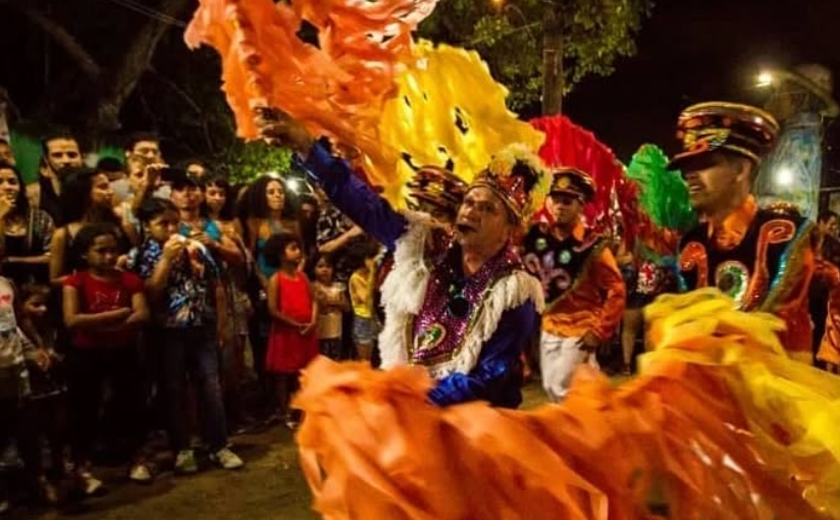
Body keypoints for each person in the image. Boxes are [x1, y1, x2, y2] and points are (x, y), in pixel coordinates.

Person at [255, 109, 544, 408]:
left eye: (488, 209)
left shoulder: (516, 291)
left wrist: (413, 399)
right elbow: (363, 204)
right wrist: (307, 146)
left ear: (510, 229)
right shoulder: (425, 242)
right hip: (409, 409)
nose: (471, 212)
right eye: (469, 202)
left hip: (473, 427)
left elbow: (488, 379)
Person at [671, 102, 834, 362]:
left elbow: (776, 333)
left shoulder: (785, 236)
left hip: (774, 389)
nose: (690, 175)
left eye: (705, 163)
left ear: (740, 169)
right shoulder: (692, 243)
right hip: (705, 386)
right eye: (688, 167)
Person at [129, 198, 243, 473]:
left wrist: (222, 322)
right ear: (147, 226)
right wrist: (167, 259)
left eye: (173, 222)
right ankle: (183, 448)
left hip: (201, 325)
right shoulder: (141, 255)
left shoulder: (196, 248)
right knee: (174, 389)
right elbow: (151, 292)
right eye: (162, 224)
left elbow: (215, 284)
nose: (170, 229)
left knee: (210, 387)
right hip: (168, 332)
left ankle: (219, 445)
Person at [522, 167, 625, 401]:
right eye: (555, 200)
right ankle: (597, 421)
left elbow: (617, 289)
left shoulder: (593, 245)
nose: (560, 206)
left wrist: (599, 331)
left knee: (561, 389)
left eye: (568, 201)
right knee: (553, 387)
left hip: (581, 327)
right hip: (549, 326)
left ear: (581, 206)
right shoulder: (535, 235)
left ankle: (575, 433)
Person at [62, 224, 151, 487]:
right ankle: (82, 466)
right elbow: (72, 320)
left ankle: (137, 458)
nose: (109, 257)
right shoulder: (75, 282)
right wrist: (117, 315)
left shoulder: (129, 279)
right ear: (84, 254)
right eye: (101, 251)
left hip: (123, 350)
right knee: (84, 408)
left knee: (131, 404)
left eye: (113, 251)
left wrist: (98, 323)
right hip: (87, 352)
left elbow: (142, 314)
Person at [264, 232, 318, 429]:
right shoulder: (276, 279)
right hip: (286, 333)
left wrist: (312, 321)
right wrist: (294, 324)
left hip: (306, 333)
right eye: (292, 248)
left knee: (302, 373)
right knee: (283, 374)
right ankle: (285, 411)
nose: (298, 253)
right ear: (280, 254)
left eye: (298, 248)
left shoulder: (303, 277)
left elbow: (313, 301)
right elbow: (272, 309)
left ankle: (302, 408)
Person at [49, 167, 124, 285]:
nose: (111, 192)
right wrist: (92, 277)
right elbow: (54, 279)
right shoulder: (62, 235)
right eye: (103, 187)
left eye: (109, 186)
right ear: (83, 192)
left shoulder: (121, 223)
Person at [0, 163, 54, 286]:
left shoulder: (40, 218)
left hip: (35, 287)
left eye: (13, 182)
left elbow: (53, 256)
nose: (7, 187)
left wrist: (17, 260)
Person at [27, 131, 83, 222]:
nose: (66, 160)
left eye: (72, 155)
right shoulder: (33, 195)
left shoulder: (97, 190)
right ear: (46, 160)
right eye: (57, 155)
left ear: (81, 157)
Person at [310, 252, 348, 361]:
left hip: (336, 333)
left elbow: (347, 308)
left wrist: (332, 303)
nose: (325, 269)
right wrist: (334, 303)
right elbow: (318, 305)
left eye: (328, 266)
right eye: (320, 266)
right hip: (320, 334)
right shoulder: (313, 287)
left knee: (335, 362)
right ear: (314, 269)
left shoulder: (338, 287)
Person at [349, 241, 379, 362]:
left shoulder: (370, 275)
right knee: (364, 360)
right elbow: (365, 298)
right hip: (362, 319)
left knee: (371, 359)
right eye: (370, 258)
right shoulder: (356, 277)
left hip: (373, 317)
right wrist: (372, 272)